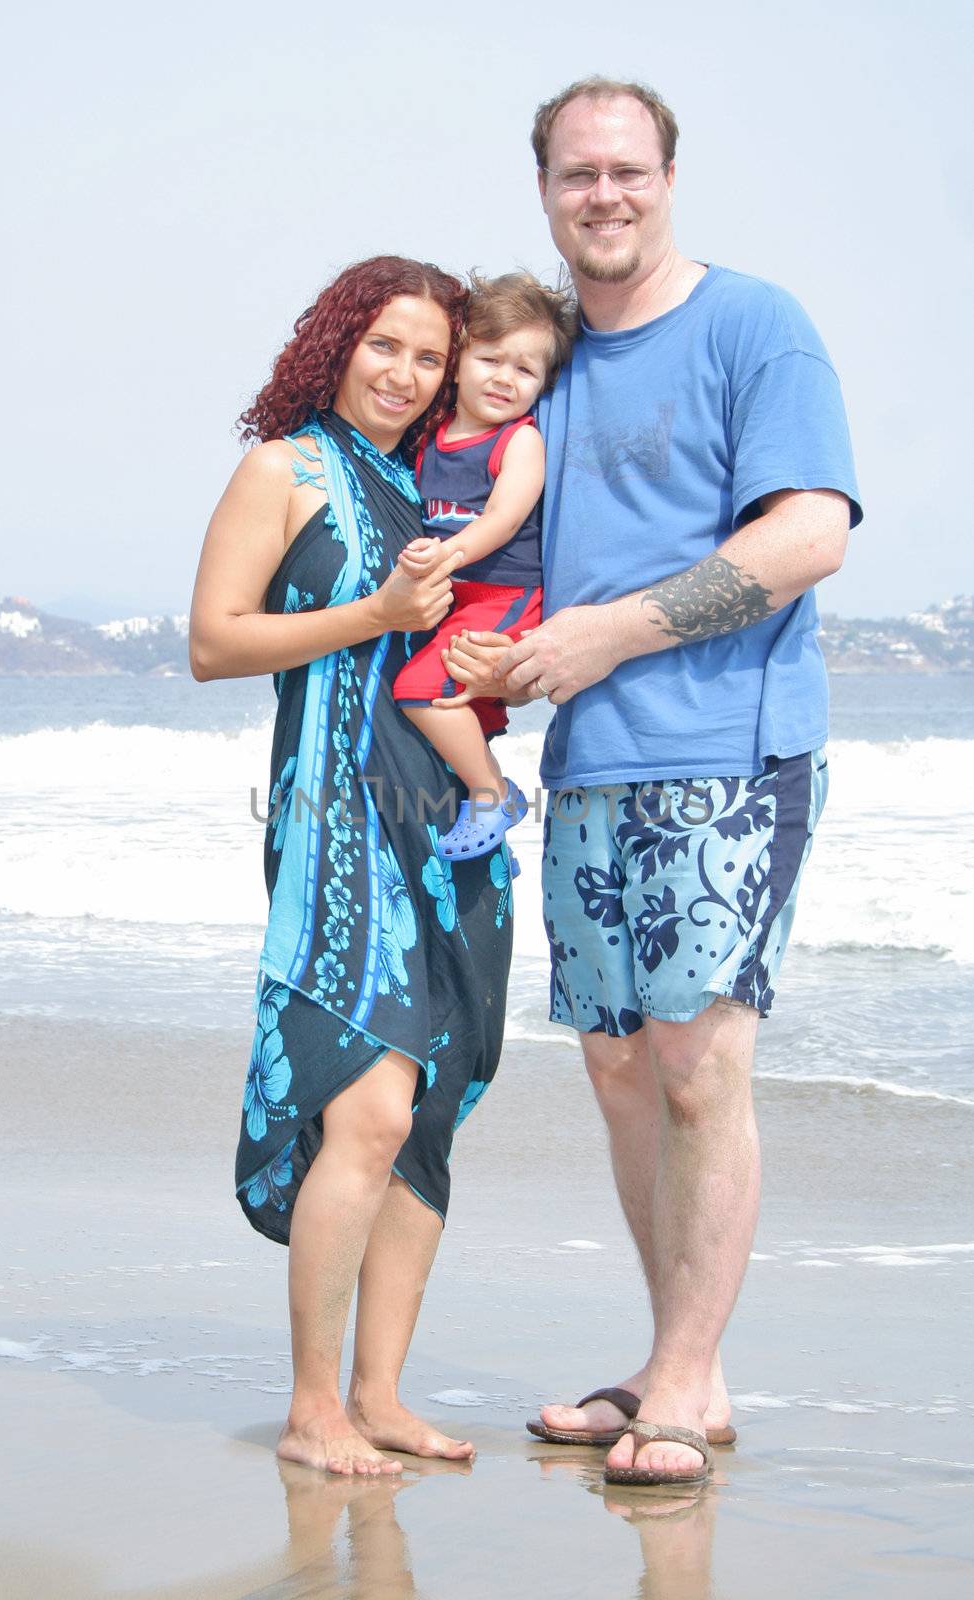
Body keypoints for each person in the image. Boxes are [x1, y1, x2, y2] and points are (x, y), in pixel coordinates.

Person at [445, 78, 861, 1487]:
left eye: (625, 170)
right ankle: (682, 1362)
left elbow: (808, 535)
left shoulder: (754, 324)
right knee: (622, 1070)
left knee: (699, 1066)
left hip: (727, 750)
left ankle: (680, 1381)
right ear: (545, 191)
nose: (602, 195)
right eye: (576, 176)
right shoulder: (548, 359)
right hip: (590, 766)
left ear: (668, 176)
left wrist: (608, 633)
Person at [189, 256, 514, 1477]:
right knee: (366, 1110)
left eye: (428, 355)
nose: (403, 372)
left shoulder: (438, 488)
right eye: (384, 344)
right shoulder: (286, 470)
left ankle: (380, 1395)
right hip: (337, 812)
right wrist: (375, 615)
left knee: (426, 1109)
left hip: (453, 818)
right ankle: (312, 1407)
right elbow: (215, 643)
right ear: (335, 343)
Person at [391, 272, 577, 862]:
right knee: (452, 704)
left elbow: (501, 518)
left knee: (418, 692)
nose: (505, 377)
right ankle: (487, 814)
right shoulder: (429, 440)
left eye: (526, 370)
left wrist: (446, 554)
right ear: (459, 359)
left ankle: (492, 793)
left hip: (507, 598)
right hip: (457, 599)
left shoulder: (519, 442)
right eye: (490, 358)